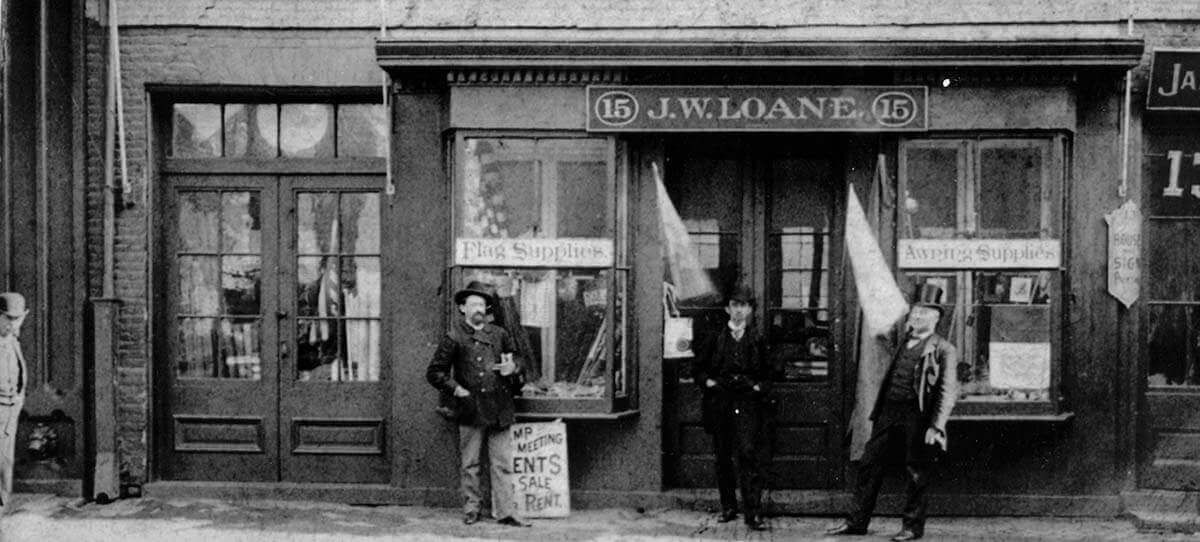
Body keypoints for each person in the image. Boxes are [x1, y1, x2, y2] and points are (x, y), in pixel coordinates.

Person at [827, 283, 959, 541]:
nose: (916, 317)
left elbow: (946, 392)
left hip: (918, 416)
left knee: (916, 471)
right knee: (869, 464)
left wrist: (936, 425)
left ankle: (912, 527)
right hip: (888, 411)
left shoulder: (944, 349)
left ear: (936, 318)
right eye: (914, 312)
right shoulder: (904, 342)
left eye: (923, 313)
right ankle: (856, 522)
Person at [426, 281, 530, 527]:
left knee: (503, 463)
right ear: (462, 308)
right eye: (473, 304)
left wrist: (512, 367)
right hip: (471, 407)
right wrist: (457, 389)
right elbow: (434, 372)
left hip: (499, 406)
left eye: (482, 304)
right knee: (471, 464)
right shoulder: (454, 337)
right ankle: (472, 509)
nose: (478, 308)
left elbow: (519, 360)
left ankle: (507, 512)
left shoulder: (500, 334)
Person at [692, 286, 772, 531]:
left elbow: (770, 373)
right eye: (735, 305)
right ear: (727, 309)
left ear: (750, 310)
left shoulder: (757, 339)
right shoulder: (715, 338)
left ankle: (753, 512)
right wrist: (709, 383)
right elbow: (698, 369)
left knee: (748, 454)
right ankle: (728, 507)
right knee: (723, 455)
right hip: (721, 402)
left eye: (744, 306)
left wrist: (759, 387)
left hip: (747, 403)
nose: (739, 311)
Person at [0, 293, 29, 516]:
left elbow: (19, 372)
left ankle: (2, 504)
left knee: (5, 459)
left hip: (11, 408)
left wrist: (18, 399)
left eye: (17, 319)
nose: (12, 324)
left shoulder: (13, 342)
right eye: (8, 318)